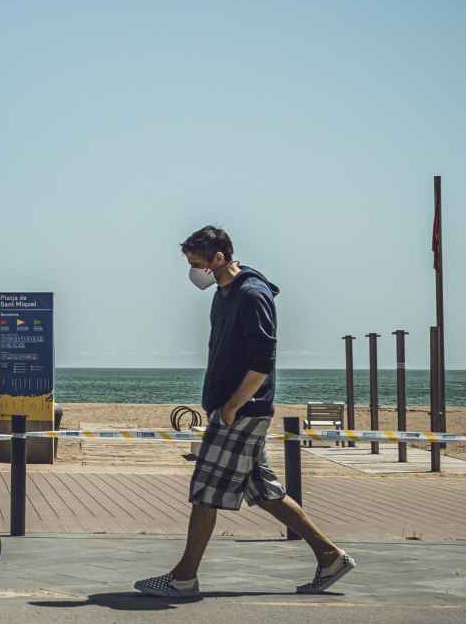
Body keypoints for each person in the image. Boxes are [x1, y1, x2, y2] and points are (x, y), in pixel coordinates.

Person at [136, 226, 356, 598]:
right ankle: (330, 556)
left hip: (242, 411)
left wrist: (233, 407)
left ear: (219, 258)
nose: (194, 271)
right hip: (232, 409)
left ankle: (184, 578)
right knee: (265, 492)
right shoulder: (224, 293)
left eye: (197, 264)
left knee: (205, 490)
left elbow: (261, 362)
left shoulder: (252, 296)